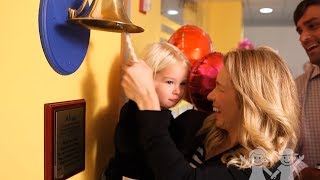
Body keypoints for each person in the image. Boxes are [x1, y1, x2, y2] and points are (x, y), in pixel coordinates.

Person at [121, 47, 300, 179]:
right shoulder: (198, 124)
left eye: (220, 88)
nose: (210, 95)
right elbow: (143, 153)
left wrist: (148, 99)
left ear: (248, 101)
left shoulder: (265, 169)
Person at [104, 42, 196, 180]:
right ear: (149, 78)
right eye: (170, 82)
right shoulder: (135, 112)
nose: (178, 91)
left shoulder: (162, 114)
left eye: (183, 84)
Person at [293, 0, 320, 168]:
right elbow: (284, 153)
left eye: (313, 26)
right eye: (300, 31)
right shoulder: (297, 90)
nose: (303, 38)